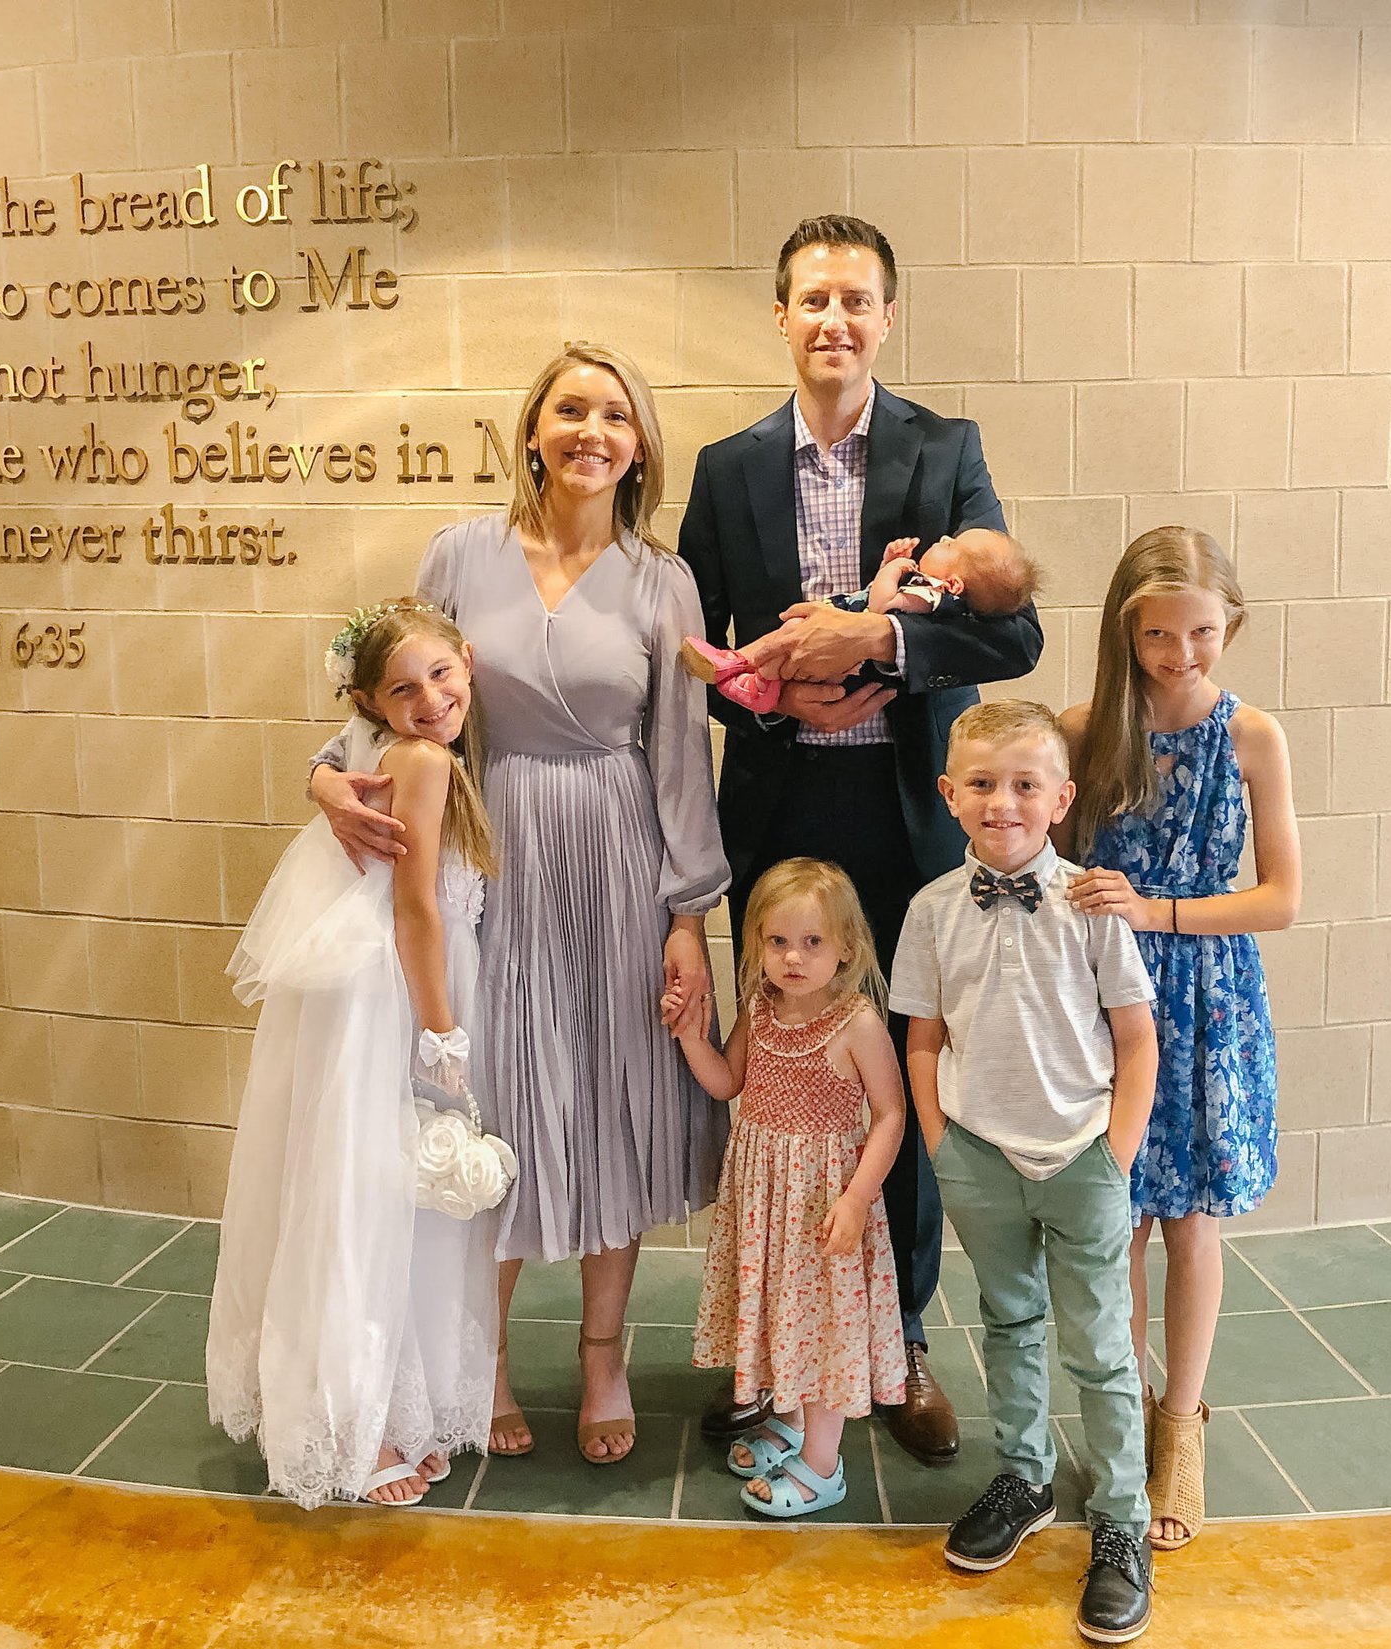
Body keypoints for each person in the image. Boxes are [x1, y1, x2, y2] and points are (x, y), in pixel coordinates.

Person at [308, 343, 730, 1467]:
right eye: (569, 409)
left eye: (615, 415)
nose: (592, 430)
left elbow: (680, 758)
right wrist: (323, 770)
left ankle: (600, 1357)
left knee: (611, 1102)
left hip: (617, 860)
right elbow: (393, 695)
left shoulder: (661, 579)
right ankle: (479, 1362)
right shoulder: (460, 552)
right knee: (485, 1103)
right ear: (531, 430)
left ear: (640, 447)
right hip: (488, 856)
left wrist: (688, 916)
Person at [679, 213, 1043, 1462]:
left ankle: (900, 1345)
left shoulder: (946, 455)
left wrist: (878, 646)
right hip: (777, 819)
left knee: (900, 1081)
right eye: (811, 299)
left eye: (856, 300)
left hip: (901, 827)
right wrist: (783, 683)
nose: (833, 319)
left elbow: (1014, 635)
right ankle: (772, 1339)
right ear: (779, 317)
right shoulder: (726, 471)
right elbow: (694, 654)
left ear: (886, 318)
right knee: (782, 1088)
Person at [207, 599, 501, 1507]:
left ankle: (392, 1409)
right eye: (403, 688)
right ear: (372, 699)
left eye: (440, 675)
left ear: (468, 661)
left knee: (384, 1200)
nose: (430, 698)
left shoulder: (380, 751)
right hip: (394, 1004)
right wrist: (442, 1031)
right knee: (365, 1201)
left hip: (384, 996)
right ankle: (352, 1425)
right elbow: (416, 910)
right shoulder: (422, 762)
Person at [889, 699, 1160, 1644]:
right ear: (950, 794)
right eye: (983, 783)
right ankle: (1026, 1474)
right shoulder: (929, 912)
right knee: (1010, 1322)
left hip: (1082, 1154)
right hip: (979, 1155)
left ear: (1060, 797)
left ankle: (1122, 1521)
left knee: (1099, 1344)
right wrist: (939, 1144)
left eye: (1024, 784)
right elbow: (923, 1041)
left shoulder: (1092, 903)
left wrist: (1113, 1152)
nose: (1002, 801)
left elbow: (1136, 1035)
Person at [1059, 527, 1300, 1552]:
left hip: (1204, 998)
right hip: (1102, 1002)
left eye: (1201, 632)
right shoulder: (1082, 729)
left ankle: (1181, 1424)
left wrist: (1155, 910)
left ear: (1229, 624)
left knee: (1192, 1221)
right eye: (1157, 634)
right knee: (1114, 1223)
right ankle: (1123, 1415)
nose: (1180, 655)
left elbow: (1280, 898)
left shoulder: (1251, 736)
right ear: (1124, 629)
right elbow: (1046, 864)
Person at [666, 858, 907, 1517]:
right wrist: (691, 1036)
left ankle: (823, 1464)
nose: (794, 958)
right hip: (765, 1199)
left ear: (846, 948)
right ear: (756, 945)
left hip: (824, 1201)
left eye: (812, 942)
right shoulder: (760, 1011)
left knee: (824, 1325)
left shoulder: (856, 1023)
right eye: (778, 942)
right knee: (782, 1314)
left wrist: (856, 1197)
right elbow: (726, 1081)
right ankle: (793, 1422)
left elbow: (891, 1114)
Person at [683, 528, 1039, 712]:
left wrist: (894, 569)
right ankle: (747, 674)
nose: (944, 537)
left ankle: (746, 669)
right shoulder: (724, 462)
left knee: (790, 633)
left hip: (868, 687)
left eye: (951, 546)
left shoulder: (930, 595)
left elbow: (882, 605)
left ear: (954, 583)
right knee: (789, 635)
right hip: (782, 763)